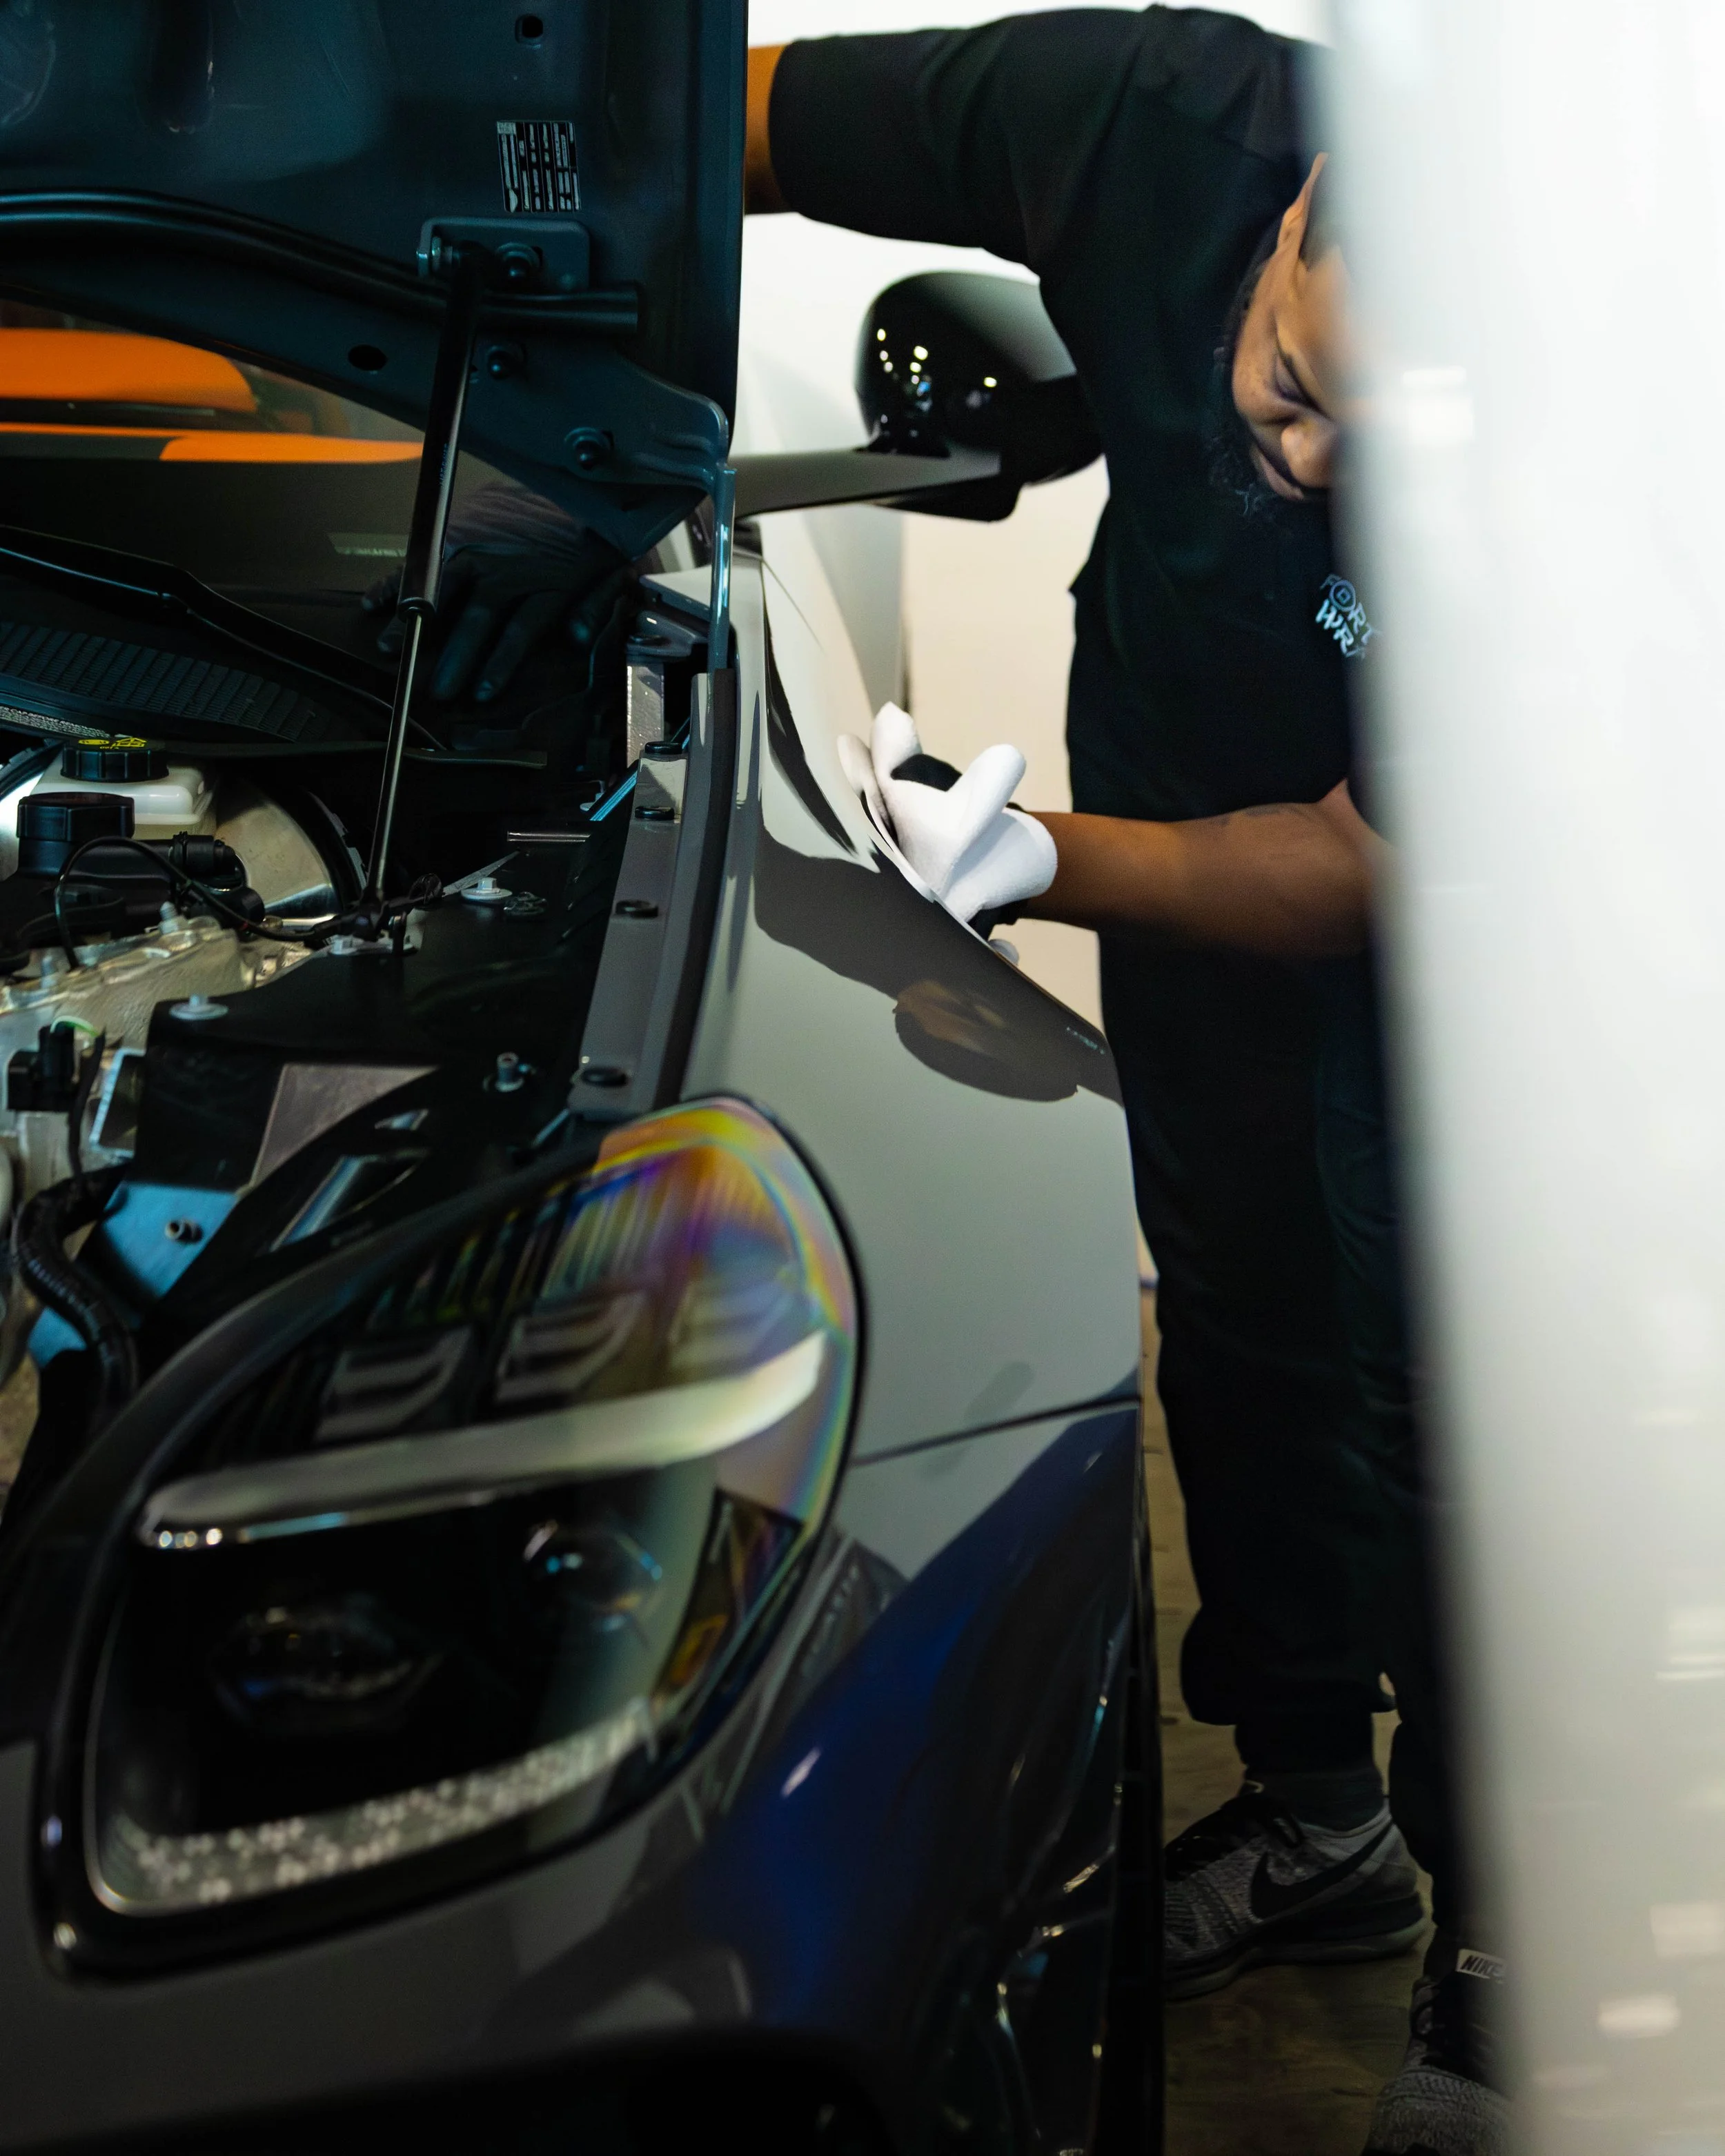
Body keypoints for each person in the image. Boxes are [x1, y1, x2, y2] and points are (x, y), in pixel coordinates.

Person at [749, 18, 1502, 2156]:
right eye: (1292, 390)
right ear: (1297, 214)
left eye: (1385, 449)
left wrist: (1036, 866)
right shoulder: (1133, 118)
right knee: (1235, 1321)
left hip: (1438, 891)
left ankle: (1503, 1954)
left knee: (1431, 1387)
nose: (1311, 466)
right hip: (1185, 749)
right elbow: (700, 126)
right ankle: (1313, 1811)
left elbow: (1367, 867)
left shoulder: (1594, 445)